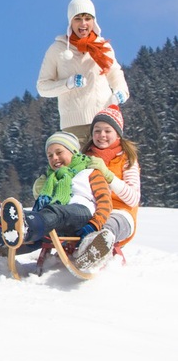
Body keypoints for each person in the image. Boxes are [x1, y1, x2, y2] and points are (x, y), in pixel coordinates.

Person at [0, 131, 112, 263]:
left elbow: (105, 203)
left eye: (59, 152)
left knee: (52, 213)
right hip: (53, 220)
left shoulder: (90, 173)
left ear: (74, 152)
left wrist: (93, 226)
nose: (54, 158)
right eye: (50, 155)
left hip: (80, 214)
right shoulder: (50, 180)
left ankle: (23, 229)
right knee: (25, 217)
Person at [36, 0, 130, 146]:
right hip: (74, 128)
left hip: (104, 121)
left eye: (88, 18)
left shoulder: (102, 46)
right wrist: (68, 83)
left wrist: (121, 92)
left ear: (94, 21)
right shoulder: (57, 50)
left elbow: (115, 73)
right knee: (80, 170)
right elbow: (43, 87)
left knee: (107, 169)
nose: (83, 23)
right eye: (78, 18)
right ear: (70, 22)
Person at [71, 104, 141, 272]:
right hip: (91, 210)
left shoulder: (126, 160)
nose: (102, 135)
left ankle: (94, 249)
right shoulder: (84, 158)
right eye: (97, 130)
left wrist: (108, 176)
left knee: (108, 226)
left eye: (107, 131)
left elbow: (132, 198)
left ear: (117, 133)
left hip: (120, 212)